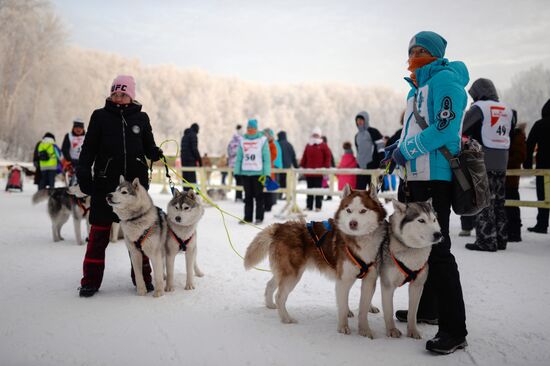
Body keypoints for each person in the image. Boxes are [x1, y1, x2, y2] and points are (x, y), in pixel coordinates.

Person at [388, 31, 468, 354]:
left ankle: (454, 328)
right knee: (420, 249)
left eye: (422, 50)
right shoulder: (417, 88)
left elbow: (446, 128)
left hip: (436, 179)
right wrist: (396, 149)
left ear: (436, 53)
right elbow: (416, 129)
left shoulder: (445, 80)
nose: (415, 54)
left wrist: (406, 148)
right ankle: (429, 309)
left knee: (438, 249)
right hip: (416, 177)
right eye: (412, 50)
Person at [76, 75, 162, 297]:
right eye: (115, 93)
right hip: (106, 186)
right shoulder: (100, 116)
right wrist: (84, 172)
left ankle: (142, 279)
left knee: (141, 237)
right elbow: (88, 149)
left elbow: (148, 146)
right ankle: (90, 281)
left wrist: (154, 152)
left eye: (123, 94)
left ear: (131, 95)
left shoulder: (141, 118)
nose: (118, 97)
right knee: (98, 235)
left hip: (135, 191)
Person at [463, 78, 513, 252]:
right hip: (502, 160)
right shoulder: (508, 109)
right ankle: (501, 238)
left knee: (483, 202)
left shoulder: (480, 108)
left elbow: (462, 127)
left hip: (483, 160)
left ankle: (486, 240)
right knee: (499, 201)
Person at [234, 119, 271, 224]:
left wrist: (266, 174)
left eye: (252, 128)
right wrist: (236, 172)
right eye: (249, 128)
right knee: (248, 197)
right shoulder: (243, 140)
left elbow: (266, 159)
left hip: (258, 173)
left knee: (259, 197)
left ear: (256, 129)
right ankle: (247, 218)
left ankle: (259, 217)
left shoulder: (262, 140)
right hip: (246, 173)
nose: (250, 130)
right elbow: (239, 158)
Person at [524, 98, 550, 234]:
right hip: (543, 165)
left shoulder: (540, 124)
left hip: (543, 166)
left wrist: (527, 163)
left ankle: (542, 224)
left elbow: (529, 144)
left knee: (543, 196)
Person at [300, 127, 331, 211]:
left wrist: (326, 167)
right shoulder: (308, 145)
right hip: (309, 172)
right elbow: (304, 156)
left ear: (319, 136)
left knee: (318, 191)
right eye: (314, 134)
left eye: (317, 135)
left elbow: (328, 156)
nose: (315, 136)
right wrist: (302, 166)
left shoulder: (323, 145)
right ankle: (309, 206)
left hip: (319, 172)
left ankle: (318, 206)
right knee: (309, 190)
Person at [506, 120, 527, 242]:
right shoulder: (508, 134)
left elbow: (520, 156)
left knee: (512, 205)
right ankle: (510, 232)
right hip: (505, 177)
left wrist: (504, 162)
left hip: (511, 178)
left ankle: (514, 233)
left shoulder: (517, 136)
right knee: (506, 206)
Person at [354, 111, 385, 190]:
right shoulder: (357, 136)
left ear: (366, 120)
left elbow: (381, 148)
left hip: (372, 166)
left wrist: (382, 162)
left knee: (373, 193)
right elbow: (358, 151)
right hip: (361, 168)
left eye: (361, 119)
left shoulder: (373, 132)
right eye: (357, 120)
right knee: (360, 192)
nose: (359, 122)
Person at [61, 118, 86, 185]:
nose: (78, 130)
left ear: (83, 129)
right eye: (76, 128)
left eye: (80, 128)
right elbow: (65, 149)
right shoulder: (69, 136)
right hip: (71, 162)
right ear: (73, 128)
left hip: (84, 161)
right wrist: (69, 160)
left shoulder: (87, 136)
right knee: (72, 181)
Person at [276, 130, 298, 199]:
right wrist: (296, 167)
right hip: (287, 168)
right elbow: (293, 157)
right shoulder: (289, 145)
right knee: (286, 182)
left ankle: (278, 195)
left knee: (278, 181)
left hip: (278, 168)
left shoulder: (277, 144)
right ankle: (287, 195)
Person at [180, 123, 202, 190]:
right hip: (191, 161)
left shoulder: (184, 136)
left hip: (183, 160)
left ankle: (185, 193)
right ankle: (193, 194)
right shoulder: (193, 135)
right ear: (196, 129)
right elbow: (194, 149)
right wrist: (199, 160)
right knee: (192, 178)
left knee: (185, 178)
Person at [263, 128, 279, 212]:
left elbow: (274, 155)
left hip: (269, 169)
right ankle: (264, 204)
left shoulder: (272, 145)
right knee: (262, 188)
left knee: (269, 188)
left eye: (267, 135)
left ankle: (268, 205)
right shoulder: (262, 144)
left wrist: (266, 158)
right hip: (262, 170)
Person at [227, 124, 244, 201]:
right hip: (240, 164)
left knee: (238, 180)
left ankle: (237, 197)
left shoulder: (231, 142)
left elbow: (229, 152)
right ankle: (239, 197)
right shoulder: (243, 140)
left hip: (232, 165)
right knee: (241, 181)